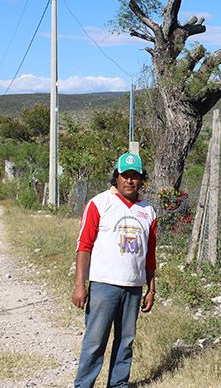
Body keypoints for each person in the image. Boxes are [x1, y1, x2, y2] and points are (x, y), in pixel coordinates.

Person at [72, 152, 157, 388]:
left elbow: (150, 253)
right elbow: (84, 245)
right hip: (103, 285)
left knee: (126, 341)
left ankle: (118, 384)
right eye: (125, 175)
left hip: (133, 288)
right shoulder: (99, 203)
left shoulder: (148, 211)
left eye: (135, 176)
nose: (130, 181)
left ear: (142, 179)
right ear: (116, 177)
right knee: (95, 341)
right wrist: (80, 284)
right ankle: (83, 384)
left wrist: (151, 288)